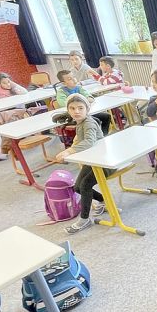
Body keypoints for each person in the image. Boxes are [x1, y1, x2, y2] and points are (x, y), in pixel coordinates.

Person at [54, 94, 109, 234]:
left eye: (80, 108)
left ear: (87, 109)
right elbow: (81, 140)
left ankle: (84, 219)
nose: (76, 111)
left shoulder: (88, 123)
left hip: (104, 162)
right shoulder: (80, 123)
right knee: (78, 187)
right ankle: (104, 201)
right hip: (92, 161)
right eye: (72, 108)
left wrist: (69, 151)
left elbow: (89, 141)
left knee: (84, 186)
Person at [56, 70, 110, 134]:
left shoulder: (79, 88)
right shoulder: (61, 92)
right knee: (95, 121)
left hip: (85, 113)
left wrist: (87, 99)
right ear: (64, 83)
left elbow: (90, 98)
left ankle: (103, 135)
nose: (74, 79)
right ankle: (93, 136)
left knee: (106, 116)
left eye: (74, 77)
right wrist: (82, 102)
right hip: (73, 116)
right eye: (70, 79)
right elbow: (64, 104)